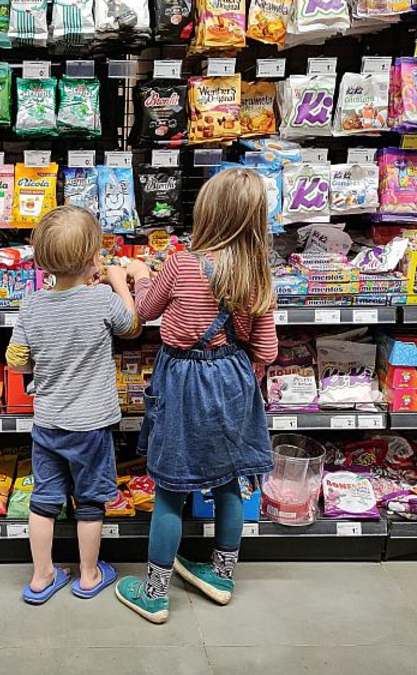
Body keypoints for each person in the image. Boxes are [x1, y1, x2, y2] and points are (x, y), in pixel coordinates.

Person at [112, 168, 279, 624]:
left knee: (171, 489)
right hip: (234, 380)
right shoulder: (258, 273)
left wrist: (137, 275)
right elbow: (267, 350)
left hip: (183, 381)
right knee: (230, 480)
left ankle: (154, 593)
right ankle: (221, 577)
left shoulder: (182, 263)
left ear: (206, 214)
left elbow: (145, 310)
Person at [7, 205, 141, 605]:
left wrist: (46, 361)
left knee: (44, 500)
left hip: (48, 423)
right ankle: (88, 574)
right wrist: (118, 283)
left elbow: (16, 361)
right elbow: (131, 326)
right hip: (92, 426)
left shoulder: (32, 305)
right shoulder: (101, 299)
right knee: (90, 502)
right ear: (94, 258)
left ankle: (41, 577)